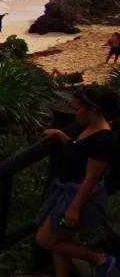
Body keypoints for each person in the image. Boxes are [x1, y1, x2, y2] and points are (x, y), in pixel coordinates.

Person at [35, 87, 119, 276]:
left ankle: (100, 259)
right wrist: (59, 133)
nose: (74, 113)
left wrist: (74, 208)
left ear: (92, 110)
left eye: (76, 109)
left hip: (78, 201)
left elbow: (91, 178)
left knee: (45, 239)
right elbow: (77, 148)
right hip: (68, 195)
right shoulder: (90, 128)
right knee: (60, 240)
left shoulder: (103, 139)